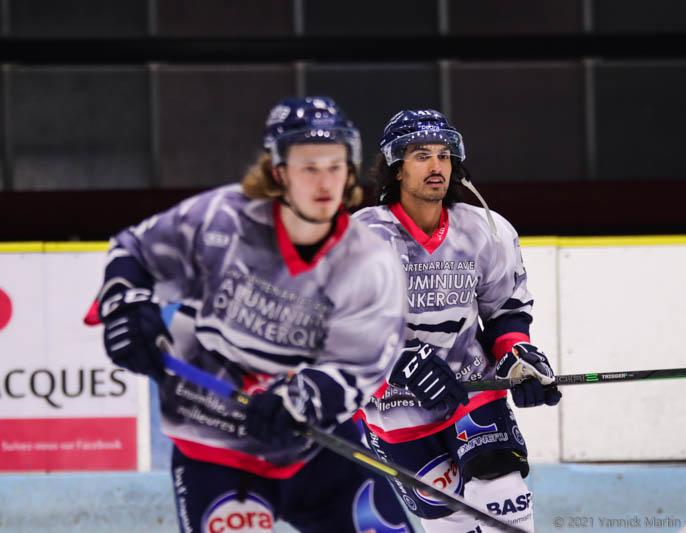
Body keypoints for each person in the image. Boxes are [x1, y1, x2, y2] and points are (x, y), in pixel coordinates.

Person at [96, 96, 414, 533]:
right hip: (213, 445)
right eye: (309, 167)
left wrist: (301, 400)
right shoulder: (220, 220)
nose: (325, 182)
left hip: (316, 448)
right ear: (278, 171)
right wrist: (126, 307)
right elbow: (134, 250)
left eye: (335, 166)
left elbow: (363, 363)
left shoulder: (369, 262)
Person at [354, 109, 562, 533]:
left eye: (444, 155)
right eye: (422, 156)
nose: (437, 166)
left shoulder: (484, 230)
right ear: (396, 168)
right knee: (451, 517)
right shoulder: (362, 238)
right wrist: (398, 359)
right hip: (392, 408)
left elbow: (505, 310)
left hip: (471, 389)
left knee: (501, 486)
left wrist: (516, 355)